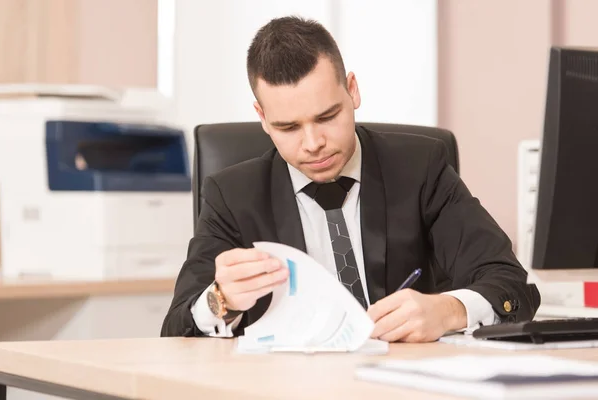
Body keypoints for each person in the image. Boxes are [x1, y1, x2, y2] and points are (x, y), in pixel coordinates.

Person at [161, 16, 540, 343]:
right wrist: (221, 300)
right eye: (288, 127)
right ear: (262, 117)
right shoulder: (232, 195)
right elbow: (175, 333)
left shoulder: (420, 167)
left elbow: (511, 284)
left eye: (327, 117)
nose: (313, 144)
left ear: (353, 90)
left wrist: (451, 309)